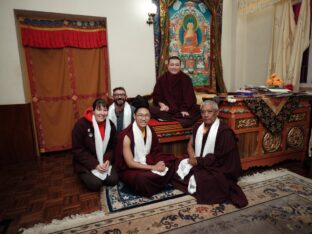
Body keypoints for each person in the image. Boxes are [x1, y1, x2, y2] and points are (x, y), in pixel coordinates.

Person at [174, 100, 248, 208]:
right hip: (199, 161)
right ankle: (194, 178)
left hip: (217, 166)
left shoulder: (224, 132)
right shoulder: (197, 127)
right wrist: (193, 158)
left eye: (209, 111)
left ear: (217, 112)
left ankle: (196, 180)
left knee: (207, 180)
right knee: (177, 164)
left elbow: (219, 158)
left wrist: (198, 161)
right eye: (203, 112)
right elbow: (190, 144)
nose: (206, 115)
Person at [115, 96, 176, 197]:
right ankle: (157, 182)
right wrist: (154, 167)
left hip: (148, 160)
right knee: (142, 179)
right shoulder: (126, 135)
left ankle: (155, 180)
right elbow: (130, 164)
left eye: (147, 115)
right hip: (130, 168)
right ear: (134, 116)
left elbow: (156, 150)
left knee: (171, 162)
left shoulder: (150, 130)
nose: (144, 119)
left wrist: (159, 161)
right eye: (140, 115)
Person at [72, 98, 118, 191]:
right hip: (87, 162)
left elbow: (112, 147)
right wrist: (95, 164)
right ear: (93, 111)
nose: (102, 113)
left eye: (105, 110)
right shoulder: (81, 125)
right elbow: (78, 150)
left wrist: (107, 160)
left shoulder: (111, 125)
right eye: (99, 109)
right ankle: (83, 174)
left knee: (113, 180)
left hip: (103, 160)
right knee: (95, 184)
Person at [150, 56, 200, 128]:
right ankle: (180, 118)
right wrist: (162, 105)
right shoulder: (162, 79)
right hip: (167, 109)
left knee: (198, 109)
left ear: (180, 66)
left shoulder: (186, 79)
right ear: (168, 66)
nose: (174, 67)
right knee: (152, 110)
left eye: (177, 65)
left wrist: (184, 109)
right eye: (172, 64)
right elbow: (157, 96)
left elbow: (190, 97)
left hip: (183, 108)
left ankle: (175, 117)